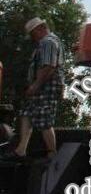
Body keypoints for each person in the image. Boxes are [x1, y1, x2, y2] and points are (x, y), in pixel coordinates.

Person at [12, 18, 63, 159]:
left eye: (33, 33)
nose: (33, 37)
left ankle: (52, 153)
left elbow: (49, 66)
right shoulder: (49, 42)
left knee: (44, 118)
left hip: (46, 84)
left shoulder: (48, 42)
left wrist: (36, 85)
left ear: (41, 28)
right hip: (43, 84)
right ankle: (21, 149)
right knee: (26, 112)